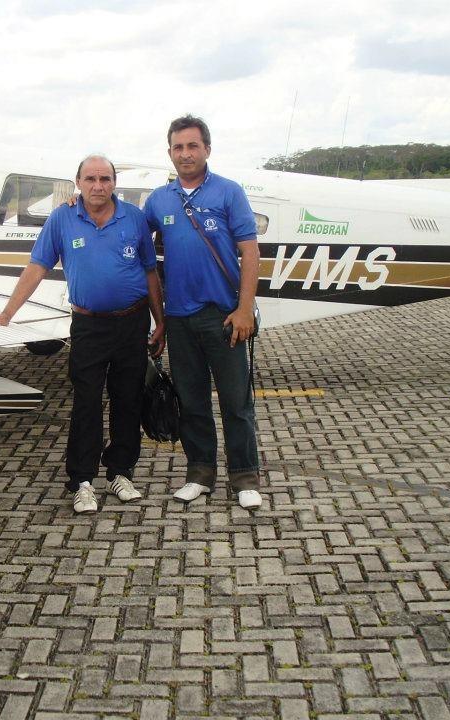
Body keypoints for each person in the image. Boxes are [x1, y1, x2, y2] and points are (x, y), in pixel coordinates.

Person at [0, 155, 165, 514]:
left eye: (105, 179)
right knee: (86, 402)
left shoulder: (134, 218)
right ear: (77, 182)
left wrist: (161, 322)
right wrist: (7, 313)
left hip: (133, 322)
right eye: (90, 179)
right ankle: (82, 481)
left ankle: (120, 472)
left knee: (128, 400)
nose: (98, 186)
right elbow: (37, 267)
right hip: (89, 326)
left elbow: (149, 271)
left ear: (114, 183)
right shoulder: (62, 218)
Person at [143, 115, 263, 509]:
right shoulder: (159, 200)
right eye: (178, 147)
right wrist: (80, 201)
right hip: (179, 318)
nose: (185, 153)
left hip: (224, 316)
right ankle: (200, 474)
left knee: (235, 402)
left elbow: (250, 253)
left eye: (193, 146)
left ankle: (244, 476)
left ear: (207, 149)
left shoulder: (229, 192)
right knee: (191, 402)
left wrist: (244, 310)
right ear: (170, 153)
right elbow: (129, 231)